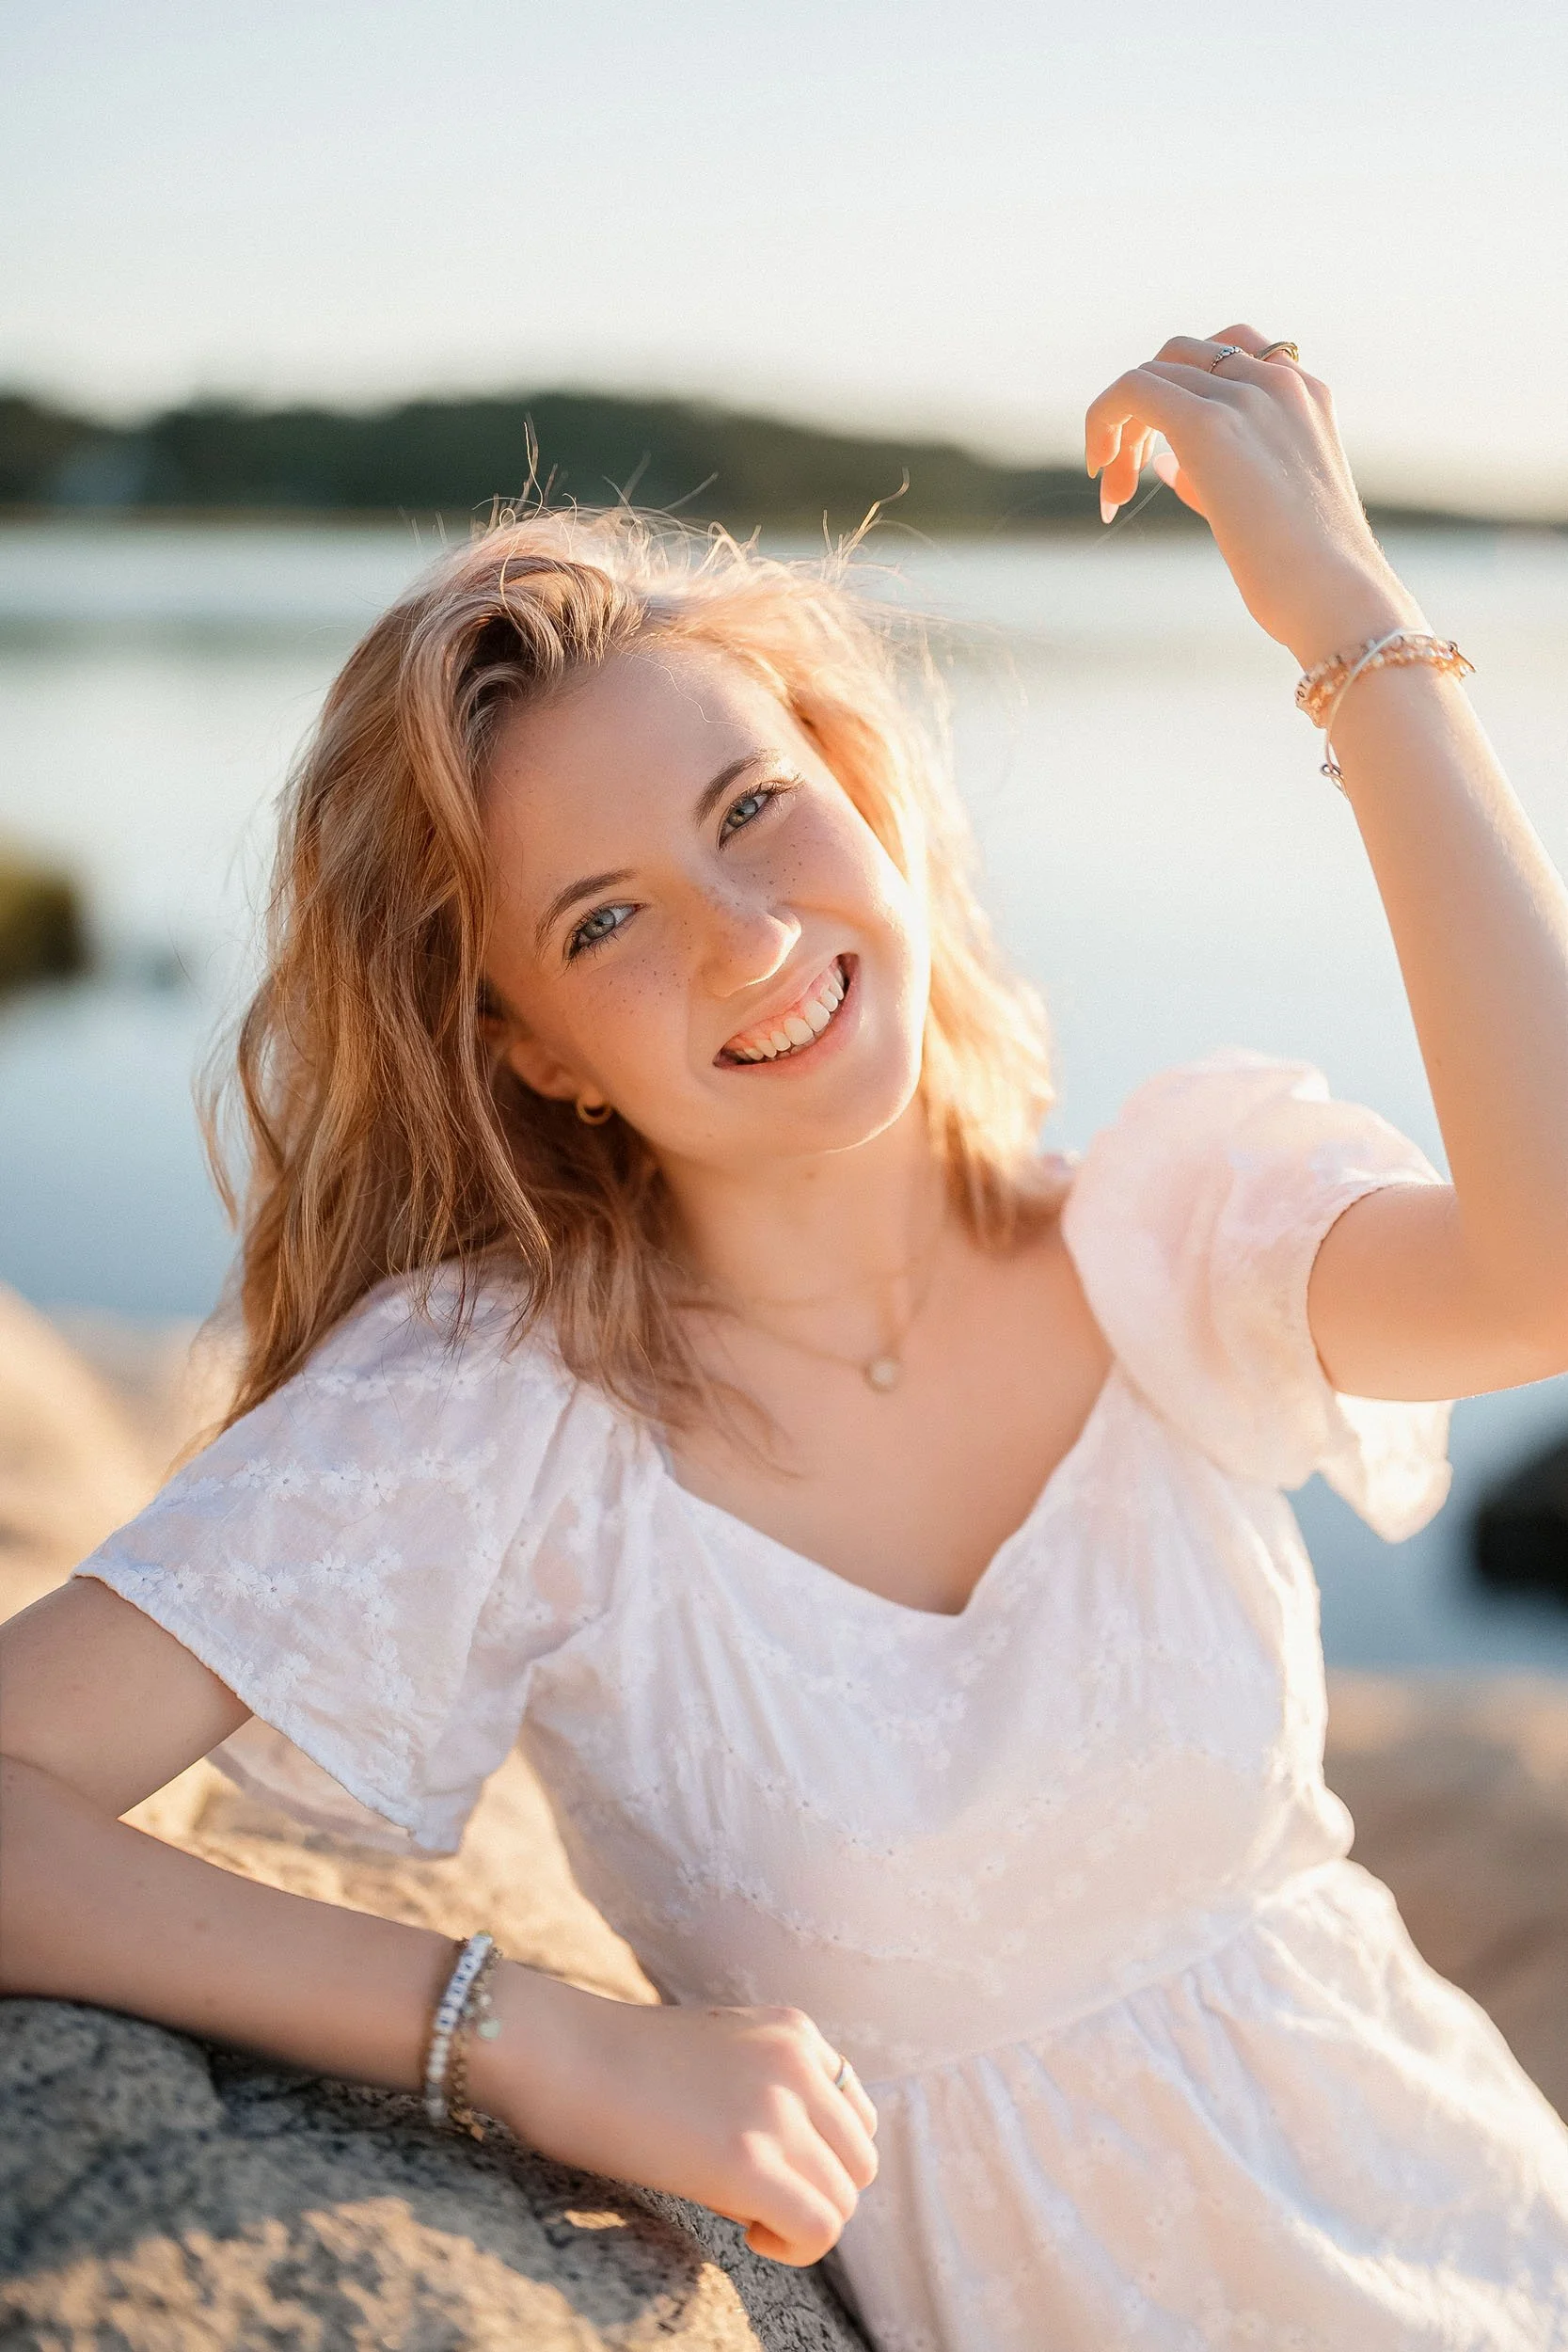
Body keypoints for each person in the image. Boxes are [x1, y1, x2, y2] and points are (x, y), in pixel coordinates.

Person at [5, 322, 1568, 2348]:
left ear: (863, 784)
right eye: (601, 920)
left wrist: (1340, 607)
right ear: (530, 1054)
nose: (742, 935)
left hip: (1471, 2238)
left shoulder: (1167, 1222)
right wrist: (514, 2030)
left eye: (753, 805)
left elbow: (1537, 1270)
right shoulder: (501, 1411)